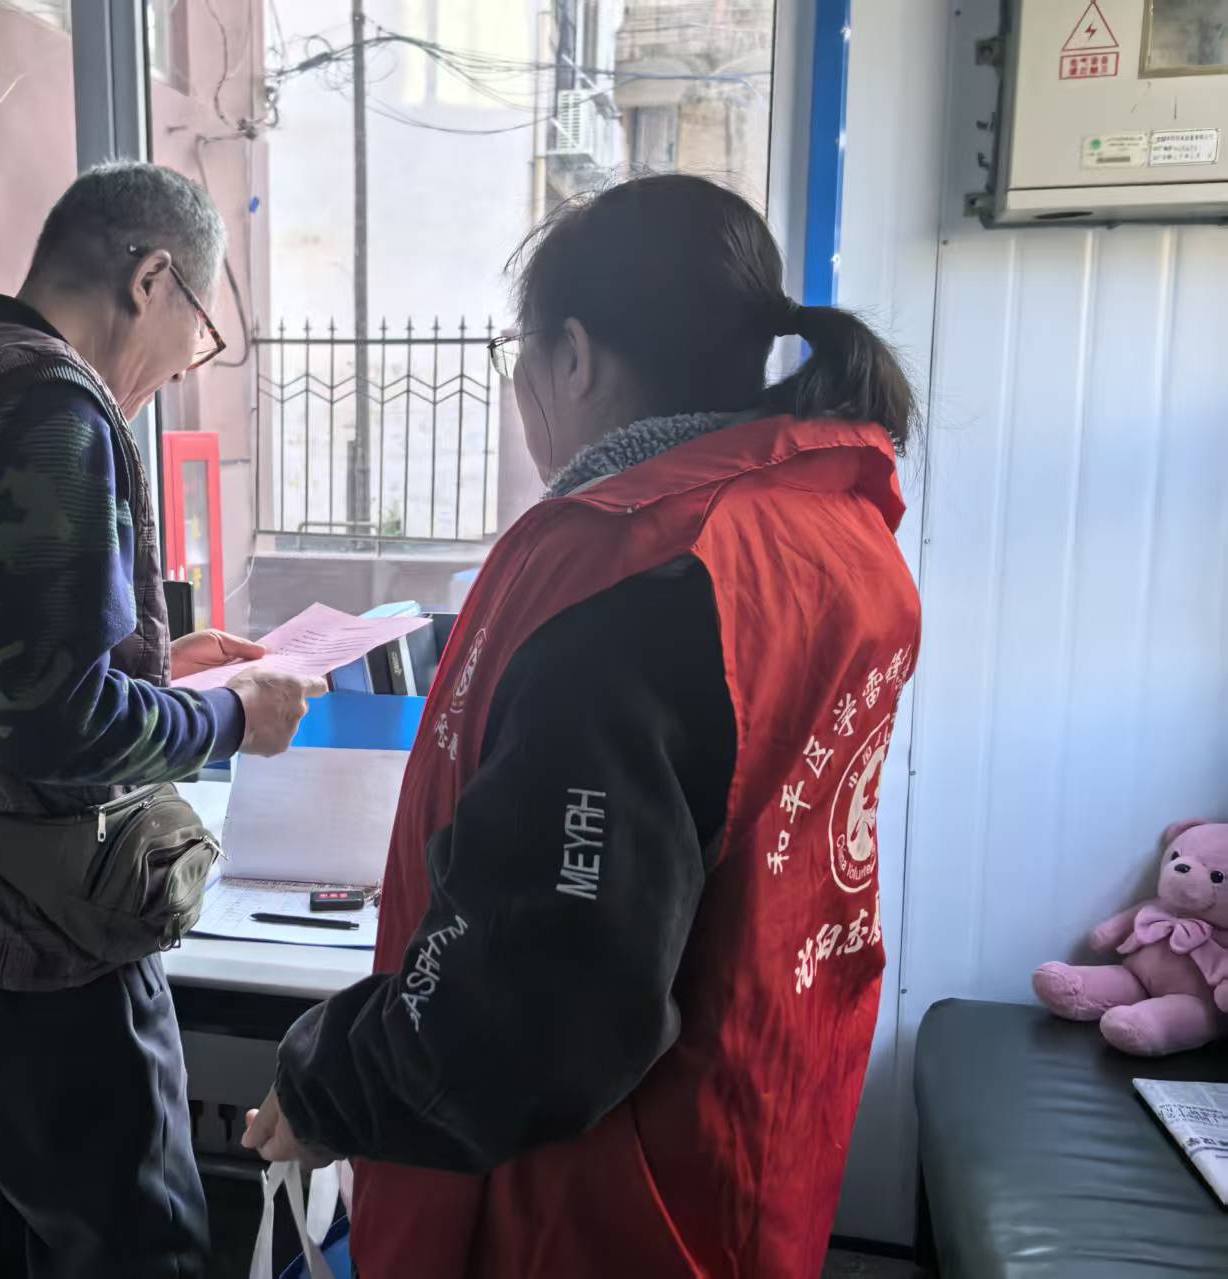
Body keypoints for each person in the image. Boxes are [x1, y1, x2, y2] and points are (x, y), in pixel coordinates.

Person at [243, 174, 923, 1278]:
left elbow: (536, 1000)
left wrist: (328, 1081)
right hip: (743, 1136)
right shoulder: (823, 522)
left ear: (571, 355)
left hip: (587, 1206)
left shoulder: (637, 575)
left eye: (518, 354)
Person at [0, 163, 322, 1277]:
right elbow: (57, 730)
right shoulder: (54, 409)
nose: (182, 369)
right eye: (198, 333)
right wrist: (230, 717)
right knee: (140, 1254)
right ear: (151, 281)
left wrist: (161, 669)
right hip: (34, 956)